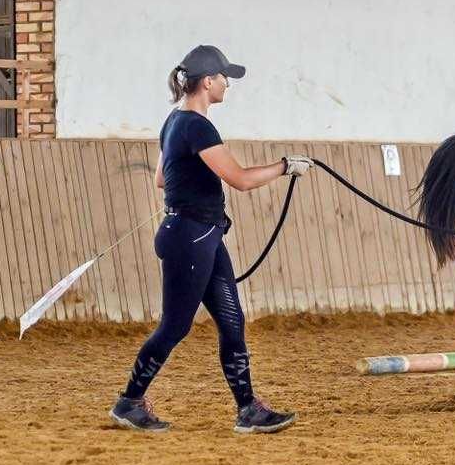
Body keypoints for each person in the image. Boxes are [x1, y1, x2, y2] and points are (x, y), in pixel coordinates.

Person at [110, 45, 312, 434]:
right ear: (207, 82)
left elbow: (162, 179)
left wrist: (196, 190)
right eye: (223, 78)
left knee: (232, 321)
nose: (226, 85)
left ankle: (248, 409)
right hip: (191, 237)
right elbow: (240, 178)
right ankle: (129, 401)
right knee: (175, 326)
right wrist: (286, 167)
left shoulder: (174, 121)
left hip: (201, 234)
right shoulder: (197, 126)